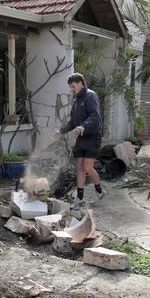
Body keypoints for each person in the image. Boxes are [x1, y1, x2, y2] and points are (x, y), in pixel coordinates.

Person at [55, 73, 104, 209]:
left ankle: (99, 191)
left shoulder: (90, 96)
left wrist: (84, 126)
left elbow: (95, 116)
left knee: (88, 167)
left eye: (73, 86)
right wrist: (62, 131)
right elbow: (73, 122)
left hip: (93, 136)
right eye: (70, 87)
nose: (71, 89)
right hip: (81, 137)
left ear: (81, 83)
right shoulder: (77, 100)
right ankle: (80, 198)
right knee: (80, 168)